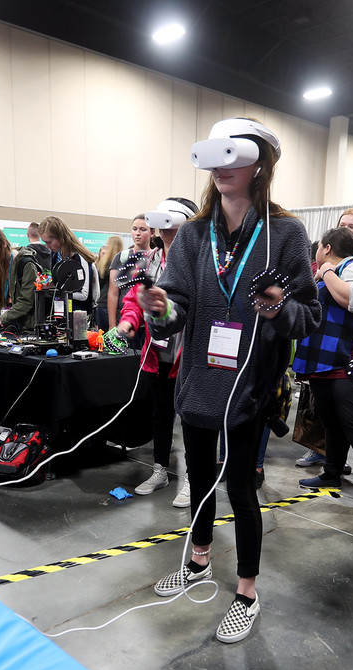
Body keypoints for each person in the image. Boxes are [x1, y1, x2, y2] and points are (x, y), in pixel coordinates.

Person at [136, 117, 320, 644]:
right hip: (198, 380)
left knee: (241, 488)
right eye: (213, 157)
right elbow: (176, 310)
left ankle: (246, 591)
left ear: (260, 163)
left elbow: (308, 317)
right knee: (198, 478)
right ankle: (196, 563)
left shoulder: (285, 233)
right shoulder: (194, 235)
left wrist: (276, 306)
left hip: (249, 386)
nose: (220, 168)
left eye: (233, 156)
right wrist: (159, 307)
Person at [293, 226, 353, 518]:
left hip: (349, 360)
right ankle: (331, 471)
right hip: (324, 359)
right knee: (331, 422)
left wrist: (326, 271)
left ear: (326, 248)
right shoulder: (332, 270)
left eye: (320, 248)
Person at [112, 197, 198, 507]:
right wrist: (125, 324)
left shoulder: (199, 264)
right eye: (162, 231)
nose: (166, 237)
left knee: (190, 421)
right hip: (155, 354)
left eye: (173, 231)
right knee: (160, 416)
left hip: (188, 357)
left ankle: (192, 478)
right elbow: (133, 301)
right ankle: (161, 469)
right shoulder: (146, 261)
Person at [0, 222, 50, 333]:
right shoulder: (0, 264)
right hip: (11, 323)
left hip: (27, 327)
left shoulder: (26, 264)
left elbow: (26, 302)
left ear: (3, 244)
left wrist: (2, 319)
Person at [40, 215, 99, 321]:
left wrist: (57, 291)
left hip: (78, 318)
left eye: (49, 242)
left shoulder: (80, 258)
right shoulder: (55, 255)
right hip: (60, 315)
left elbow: (84, 295)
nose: (47, 246)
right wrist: (49, 285)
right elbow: (61, 283)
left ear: (60, 237)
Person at [108, 216, 153, 330]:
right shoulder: (122, 257)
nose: (137, 233)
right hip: (124, 320)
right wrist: (112, 325)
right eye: (134, 229)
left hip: (149, 322)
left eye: (143, 229)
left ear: (152, 233)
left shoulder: (156, 257)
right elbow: (113, 293)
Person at [96, 234, 124, 329]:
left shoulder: (105, 264)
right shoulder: (121, 264)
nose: (106, 246)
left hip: (102, 304)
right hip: (114, 306)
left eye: (108, 244)